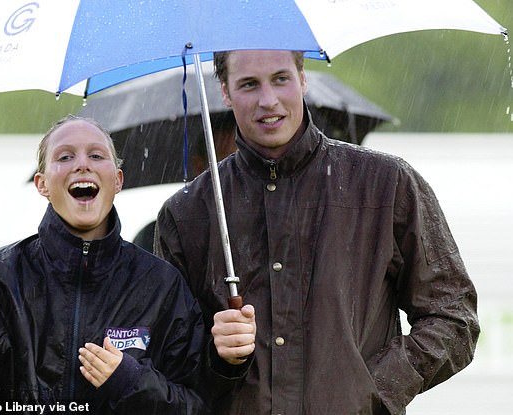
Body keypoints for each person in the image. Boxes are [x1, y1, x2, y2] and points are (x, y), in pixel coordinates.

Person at [154, 50, 479, 415]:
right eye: (248, 84)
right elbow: (166, 355)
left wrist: (373, 389)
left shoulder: (387, 186)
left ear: (303, 78)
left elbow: (454, 317)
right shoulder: (186, 213)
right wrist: (217, 357)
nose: (268, 100)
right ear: (225, 92)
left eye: (280, 78)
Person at [0, 115, 207, 414]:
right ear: (42, 184)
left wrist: (131, 382)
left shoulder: (161, 285)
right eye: (65, 156)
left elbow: (197, 405)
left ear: (118, 180)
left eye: (96, 155)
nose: (82, 164)